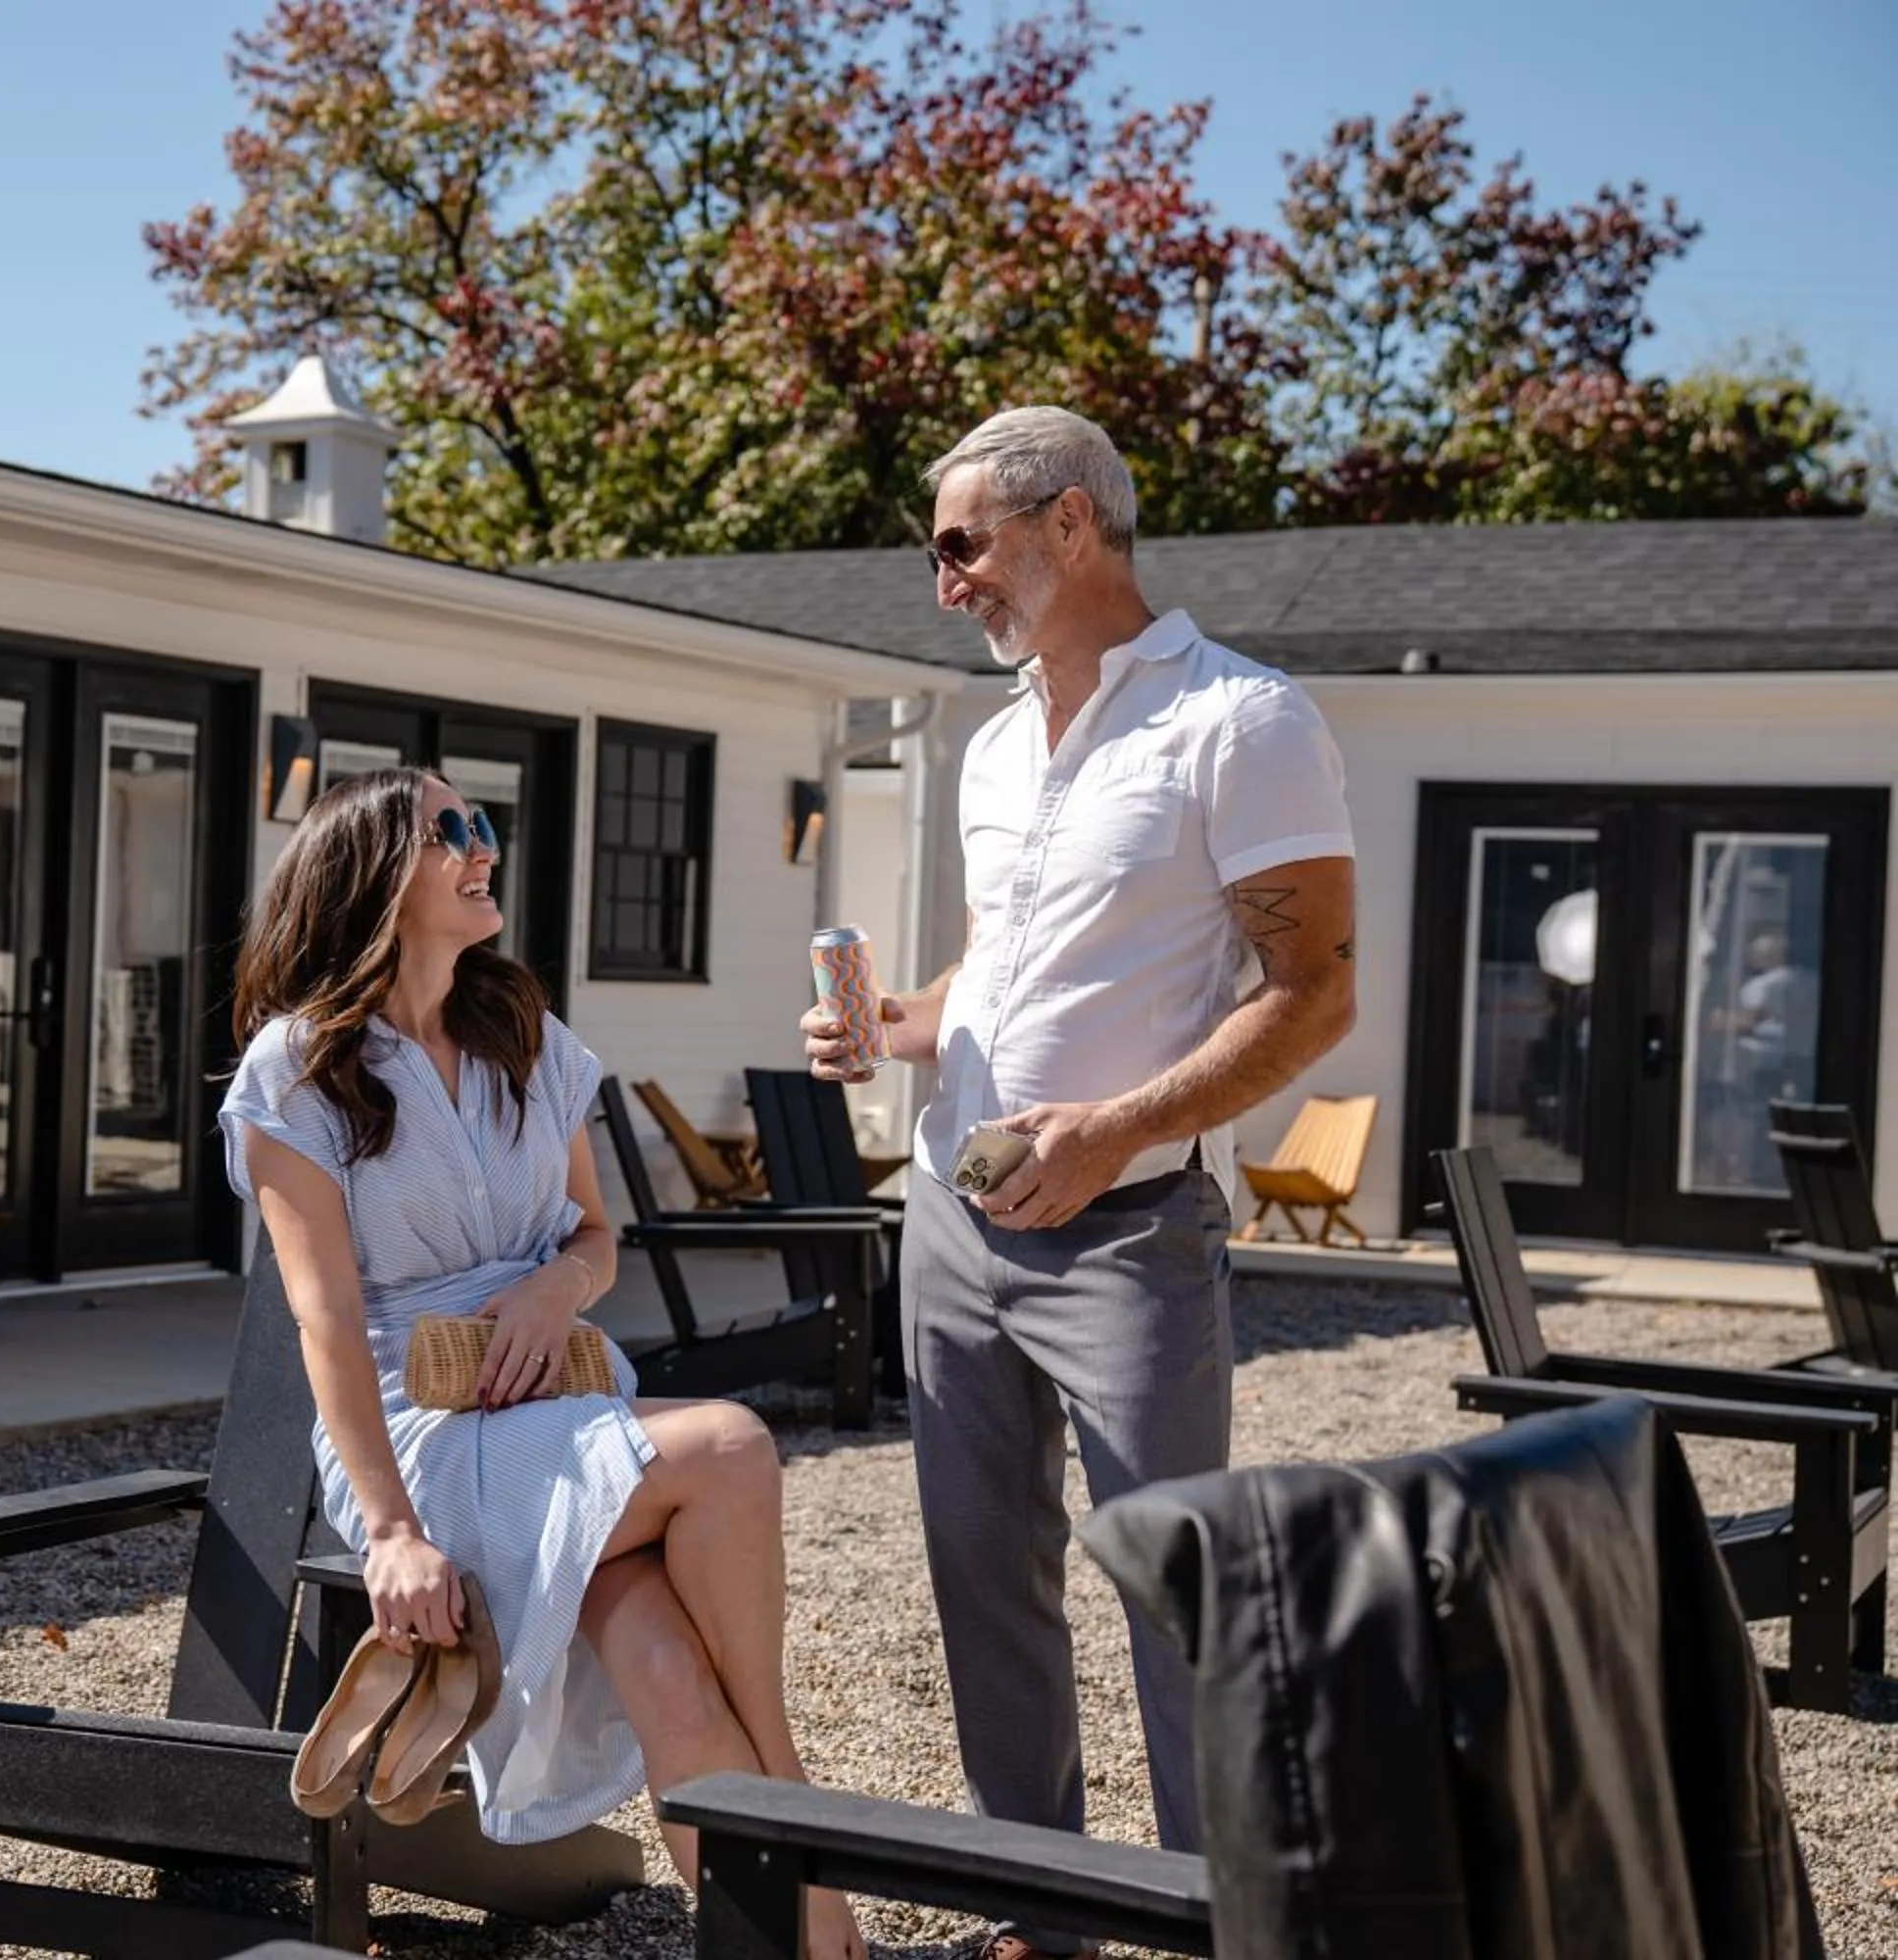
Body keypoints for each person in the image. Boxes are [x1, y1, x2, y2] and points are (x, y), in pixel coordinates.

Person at [805, 407, 1357, 1960]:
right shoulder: (992, 746)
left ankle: (1222, 1925)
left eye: (961, 545)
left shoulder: (1240, 723)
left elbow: (1312, 992)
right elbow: (1001, 975)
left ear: (1070, 526)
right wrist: (893, 1026)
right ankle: (1042, 1918)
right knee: (985, 1598)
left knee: (1177, 1596)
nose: (943, 585)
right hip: (951, 1224)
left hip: (1128, 1241)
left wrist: (1113, 1129)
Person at [226, 764, 864, 1960]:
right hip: (424, 1435)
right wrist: (393, 1530)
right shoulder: (297, 1069)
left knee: (667, 1663)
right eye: (450, 832)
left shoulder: (523, 1030)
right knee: (727, 1443)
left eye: (485, 826)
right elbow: (324, 1320)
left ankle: (797, 1945)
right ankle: (791, 1783)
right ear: (372, 871)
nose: (484, 849)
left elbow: (594, 1233)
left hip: (561, 1401)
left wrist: (554, 1285)